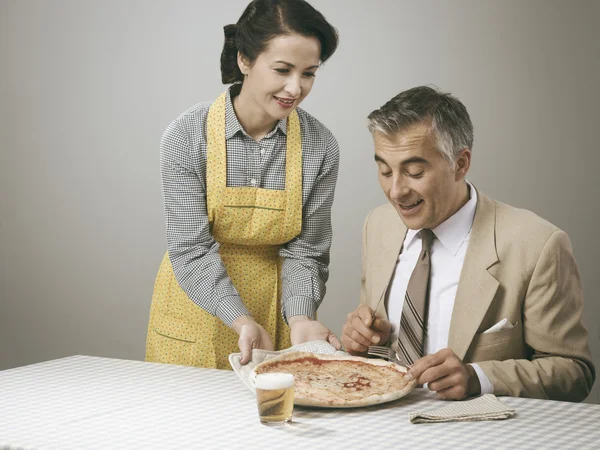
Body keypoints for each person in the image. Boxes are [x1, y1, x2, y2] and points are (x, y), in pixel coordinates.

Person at [341, 85, 595, 401]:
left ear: (460, 164)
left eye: (415, 172)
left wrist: (478, 378)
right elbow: (379, 352)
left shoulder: (537, 244)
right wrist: (362, 341)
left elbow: (573, 372)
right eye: (384, 170)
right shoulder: (377, 225)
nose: (395, 191)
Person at [146, 0, 341, 370]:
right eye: (282, 70)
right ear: (244, 60)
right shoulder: (187, 135)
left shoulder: (320, 145)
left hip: (274, 308)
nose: (295, 88)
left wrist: (300, 317)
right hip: (195, 305)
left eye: (309, 73)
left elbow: (307, 251)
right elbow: (190, 249)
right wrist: (239, 318)